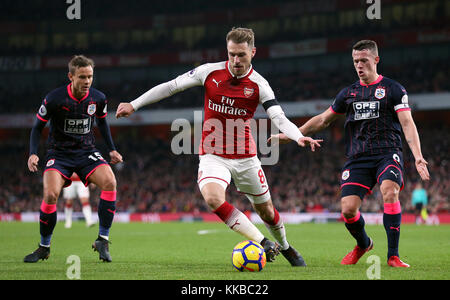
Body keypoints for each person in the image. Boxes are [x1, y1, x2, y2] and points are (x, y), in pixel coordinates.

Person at [116, 27, 322, 266]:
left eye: (241, 55)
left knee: (266, 211)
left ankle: (286, 247)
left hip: (246, 157)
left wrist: (298, 137)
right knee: (213, 198)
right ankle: (263, 242)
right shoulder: (209, 72)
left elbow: (279, 117)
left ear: (253, 52)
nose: (236, 60)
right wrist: (134, 104)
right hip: (213, 155)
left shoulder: (259, 84)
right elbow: (171, 86)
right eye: (232, 54)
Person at [270, 40, 430, 267]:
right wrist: (293, 135)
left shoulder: (394, 89)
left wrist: (417, 155)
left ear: (376, 60)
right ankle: (364, 243)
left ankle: (393, 256)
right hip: (358, 158)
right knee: (348, 210)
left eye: (364, 60)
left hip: (387, 153)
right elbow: (323, 120)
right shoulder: (349, 93)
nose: (359, 65)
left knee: (389, 191)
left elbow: (407, 123)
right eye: (356, 61)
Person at [24, 55, 123, 263]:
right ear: (71, 76)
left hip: (86, 152)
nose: (87, 81)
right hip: (58, 153)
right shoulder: (54, 99)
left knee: (110, 182)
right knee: (50, 195)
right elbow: (36, 128)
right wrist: (33, 153)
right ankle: (44, 247)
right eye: (82, 77)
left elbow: (103, 124)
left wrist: (112, 150)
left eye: (90, 77)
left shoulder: (98, 98)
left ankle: (102, 240)